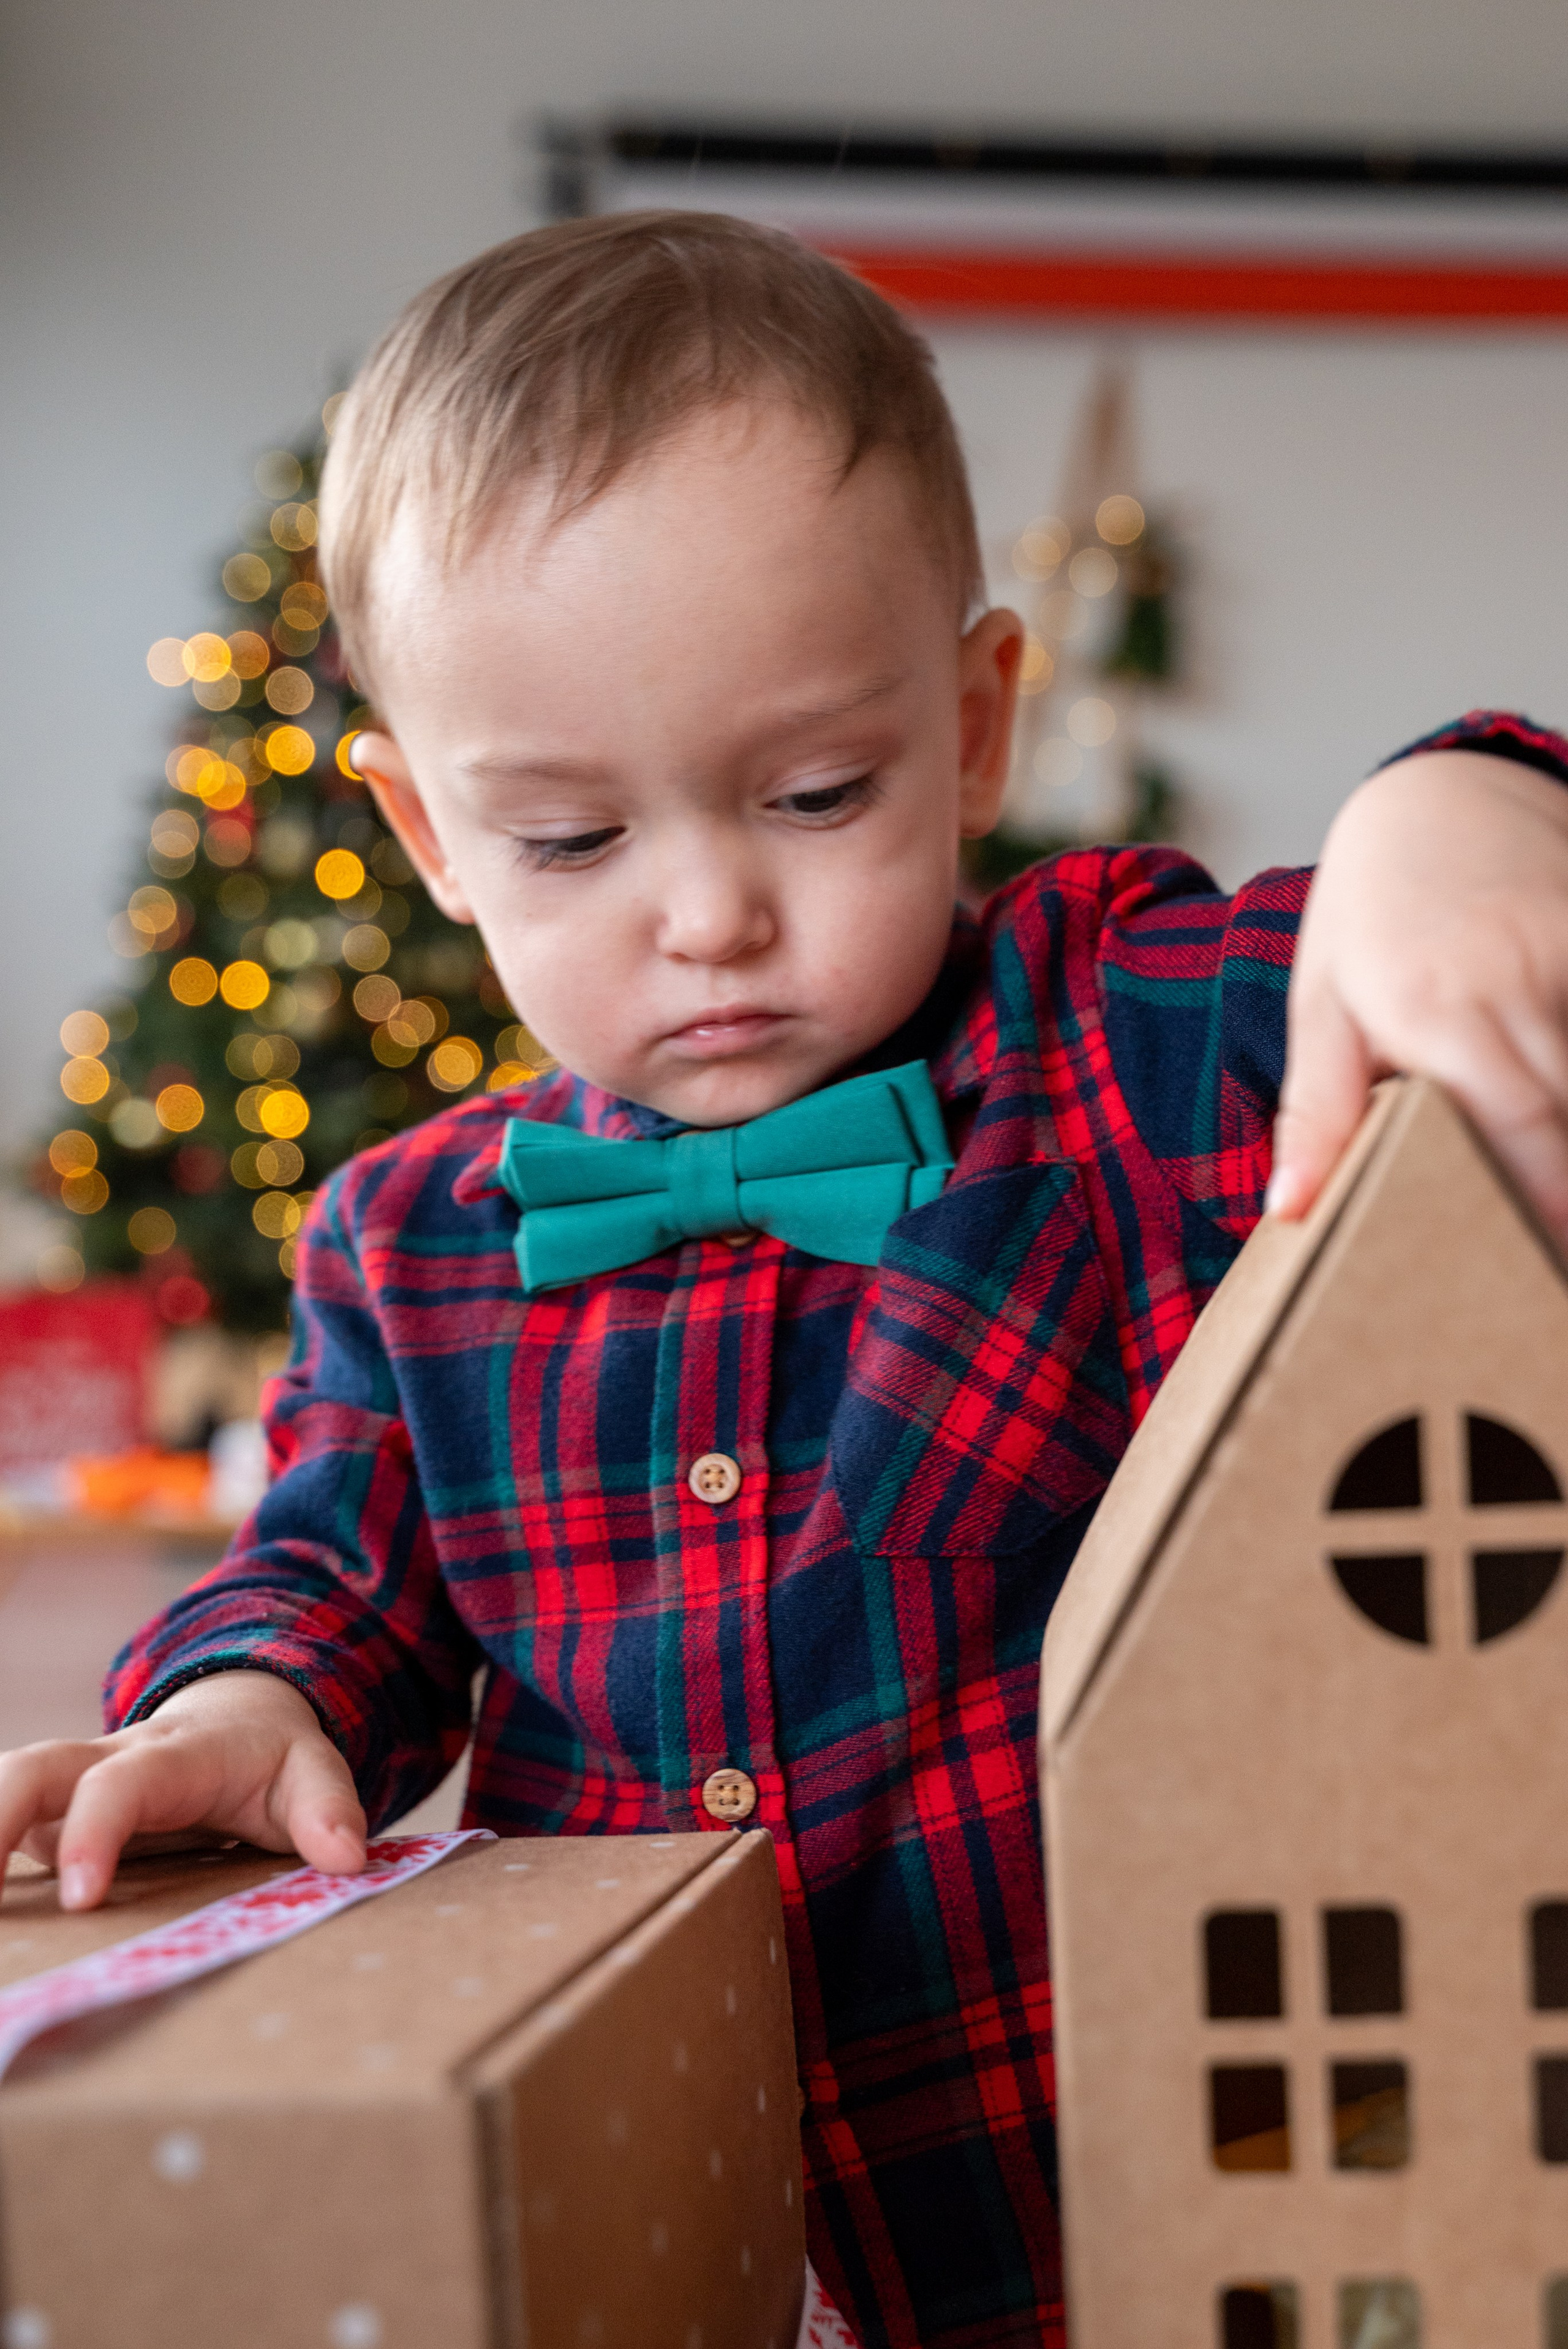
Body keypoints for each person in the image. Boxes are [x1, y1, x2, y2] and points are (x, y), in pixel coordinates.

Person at [7, 212, 1568, 2349]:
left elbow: (1370, 949)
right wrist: (236, 1702)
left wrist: (1456, 815)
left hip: (1160, 2206)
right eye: (570, 841)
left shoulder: (1113, 1040)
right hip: (694, 2238)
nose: (712, 912)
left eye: (819, 791)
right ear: (433, 837)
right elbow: (336, 1587)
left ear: (978, 721)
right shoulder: (405, 1239)